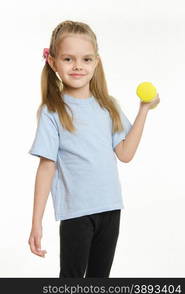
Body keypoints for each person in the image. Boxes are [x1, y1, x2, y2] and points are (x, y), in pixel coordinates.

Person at [28, 20, 160, 278]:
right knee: (72, 280)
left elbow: (125, 154)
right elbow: (46, 167)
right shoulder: (52, 112)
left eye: (86, 59)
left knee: (100, 281)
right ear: (53, 62)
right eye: (68, 59)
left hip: (110, 208)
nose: (78, 66)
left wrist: (143, 109)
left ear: (96, 63)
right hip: (77, 213)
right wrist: (36, 223)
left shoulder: (107, 106)